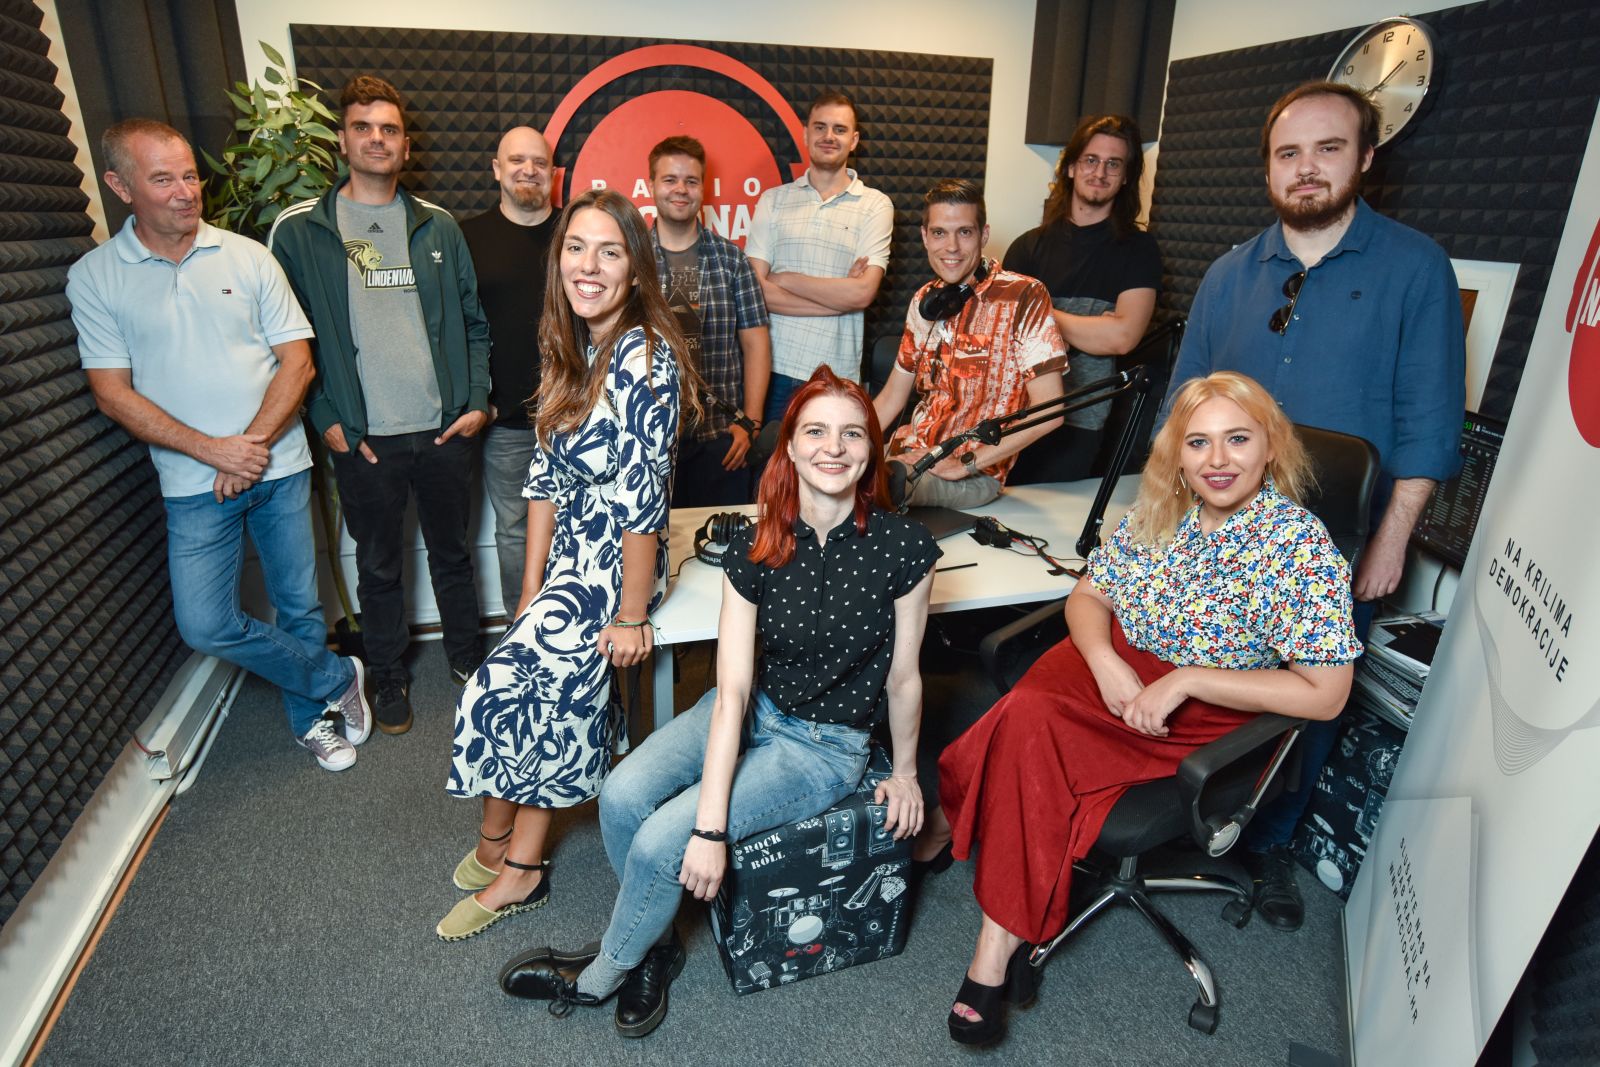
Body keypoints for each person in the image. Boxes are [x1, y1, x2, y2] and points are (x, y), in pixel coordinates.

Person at [920, 371, 1363, 1047]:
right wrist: (1103, 660)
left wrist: (1187, 678)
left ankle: (991, 942)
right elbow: (1087, 600)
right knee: (1028, 713)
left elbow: (1326, 693)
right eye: (1199, 442)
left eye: (1237, 439)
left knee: (1019, 727)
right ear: (1177, 455)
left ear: (1270, 446)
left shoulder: (1297, 546)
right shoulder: (1158, 508)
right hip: (1110, 663)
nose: (1217, 460)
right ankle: (982, 874)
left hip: (1205, 704)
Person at [494, 367, 938, 1038]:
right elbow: (730, 689)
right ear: (788, 447)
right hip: (754, 706)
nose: (834, 447)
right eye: (815, 431)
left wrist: (904, 771)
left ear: (872, 450)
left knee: (659, 842)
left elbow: (904, 678)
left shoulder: (904, 549)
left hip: (823, 747)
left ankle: (602, 975)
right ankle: (659, 945)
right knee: (621, 794)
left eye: (853, 433)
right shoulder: (759, 542)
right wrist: (708, 829)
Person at [1167, 81, 1466, 930]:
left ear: (1366, 159)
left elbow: (1428, 417)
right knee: (1207, 670)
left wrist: (1392, 539)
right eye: (1288, 153)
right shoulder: (1231, 273)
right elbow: (1179, 414)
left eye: (1328, 149)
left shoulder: (1415, 269)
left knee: (1306, 703)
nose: (1306, 170)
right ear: (1268, 167)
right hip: (1219, 529)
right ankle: (1187, 816)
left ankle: (1267, 846)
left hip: (1336, 545)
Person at [437, 189, 701, 943]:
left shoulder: (645, 357)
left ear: (636, 269)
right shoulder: (574, 342)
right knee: (496, 681)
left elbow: (644, 500)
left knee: (539, 690)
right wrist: (529, 587)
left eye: (609, 251)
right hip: (568, 565)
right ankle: (496, 845)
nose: (589, 265)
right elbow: (547, 473)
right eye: (576, 248)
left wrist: (629, 613)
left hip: (618, 565)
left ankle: (522, 868)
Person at [67, 119, 369, 771]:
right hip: (192, 485)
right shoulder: (96, 278)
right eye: (163, 178)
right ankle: (332, 676)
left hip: (280, 466)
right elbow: (112, 393)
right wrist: (213, 453)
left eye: (189, 175)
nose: (185, 191)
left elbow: (298, 363)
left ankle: (311, 722)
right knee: (204, 623)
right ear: (121, 186)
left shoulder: (248, 256)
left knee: (298, 603)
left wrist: (249, 447)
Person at [268, 75, 491, 734]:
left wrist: (475, 401)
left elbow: (474, 323)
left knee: (454, 556)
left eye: (388, 129)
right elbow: (286, 340)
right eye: (363, 127)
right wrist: (327, 419)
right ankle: (388, 673)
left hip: (445, 431)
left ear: (404, 142)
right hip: (364, 439)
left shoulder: (438, 227)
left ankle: (467, 660)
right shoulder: (303, 233)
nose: (376, 138)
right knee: (378, 564)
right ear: (341, 139)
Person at [873, 179, 1068, 508]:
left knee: (881, 488)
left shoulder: (1024, 296)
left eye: (964, 232)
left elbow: (1050, 411)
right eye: (939, 233)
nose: (951, 247)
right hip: (908, 453)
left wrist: (966, 462)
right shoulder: (925, 300)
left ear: (984, 235)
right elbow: (892, 398)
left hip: (970, 473)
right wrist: (846, 440)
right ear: (924, 236)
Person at [1002, 114, 1161, 482]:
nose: (1100, 172)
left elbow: (1123, 337)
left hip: (1082, 421)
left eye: (1113, 164)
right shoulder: (1027, 247)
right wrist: (1091, 328)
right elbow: (1006, 337)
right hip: (1016, 415)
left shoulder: (1139, 250)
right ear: (1071, 167)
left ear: (1125, 177)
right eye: (1091, 160)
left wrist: (1041, 315)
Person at [746, 91, 893, 420]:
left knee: (829, 470)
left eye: (839, 130)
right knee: (770, 472)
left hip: (836, 375)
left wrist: (785, 279)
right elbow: (755, 291)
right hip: (774, 371)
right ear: (806, 134)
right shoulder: (774, 200)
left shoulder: (875, 205)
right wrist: (838, 296)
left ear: (854, 140)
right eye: (820, 127)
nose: (829, 137)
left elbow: (863, 292)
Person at [461, 126, 558, 619]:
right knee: (515, 530)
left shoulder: (575, 232)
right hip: (506, 424)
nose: (529, 170)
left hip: (576, 417)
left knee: (584, 521)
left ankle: (578, 632)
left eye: (539, 162)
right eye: (517, 161)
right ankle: (522, 634)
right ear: (497, 170)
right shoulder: (467, 237)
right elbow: (452, 328)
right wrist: (479, 399)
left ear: (552, 173)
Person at [647, 135, 772, 506]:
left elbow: (756, 344)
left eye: (691, 180)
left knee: (722, 552)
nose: (680, 190)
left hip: (720, 438)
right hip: (648, 440)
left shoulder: (730, 259)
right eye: (670, 179)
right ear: (651, 185)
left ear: (703, 187)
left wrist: (750, 422)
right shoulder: (630, 258)